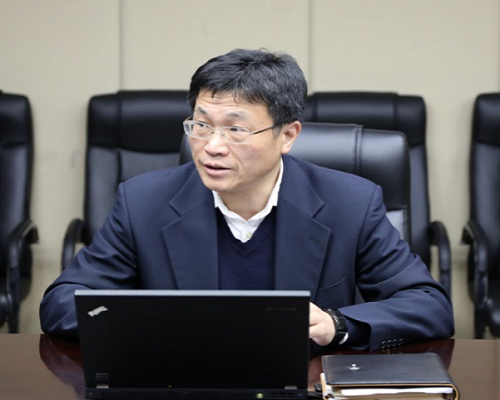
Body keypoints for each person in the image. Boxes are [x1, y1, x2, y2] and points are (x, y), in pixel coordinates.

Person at [40, 48, 454, 351]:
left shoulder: (350, 203)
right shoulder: (143, 201)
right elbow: (61, 303)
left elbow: (429, 306)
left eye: (236, 130)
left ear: (287, 135)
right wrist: (155, 323)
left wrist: (337, 324)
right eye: (201, 125)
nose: (211, 146)